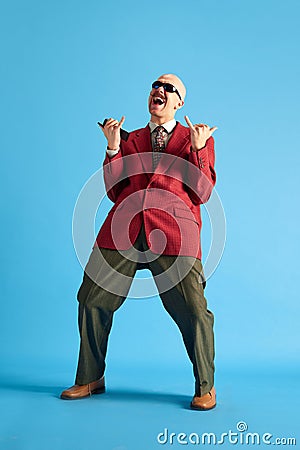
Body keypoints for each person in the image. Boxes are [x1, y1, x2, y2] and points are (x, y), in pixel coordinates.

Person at [61, 74, 218, 410]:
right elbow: (115, 191)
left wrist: (200, 149)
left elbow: (202, 192)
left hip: (175, 234)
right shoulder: (129, 139)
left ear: (179, 102)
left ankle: (205, 386)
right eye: (155, 86)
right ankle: (90, 376)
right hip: (124, 229)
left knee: (193, 309)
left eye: (168, 88)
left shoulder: (194, 139)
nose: (158, 90)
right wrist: (114, 147)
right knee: (91, 298)